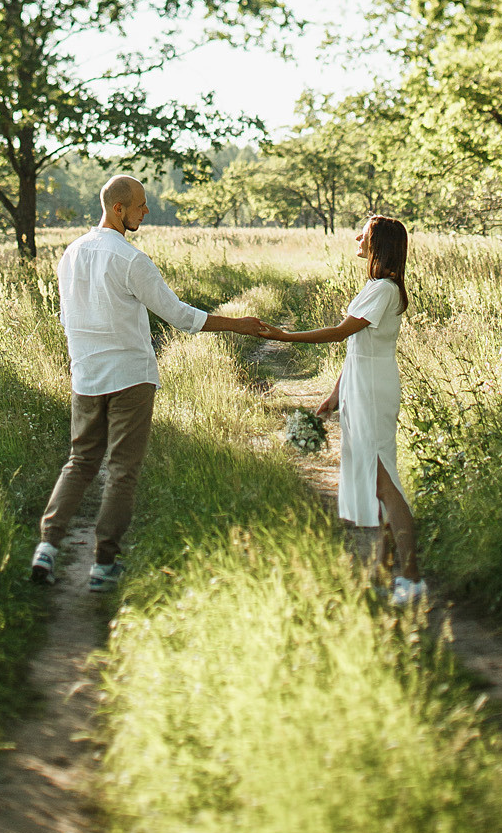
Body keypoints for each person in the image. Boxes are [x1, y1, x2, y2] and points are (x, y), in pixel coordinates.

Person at [30, 173, 267, 592]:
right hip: (130, 379)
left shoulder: (70, 254)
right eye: (140, 204)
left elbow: (67, 318)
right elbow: (177, 314)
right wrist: (239, 325)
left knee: (81, 461)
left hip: (85, 376)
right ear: (117, 209)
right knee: (122, 469)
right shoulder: (130, 259)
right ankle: (103, 565)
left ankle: (47, 548)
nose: (146, 211)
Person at [260, 214, 427, 607]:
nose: (357, 237)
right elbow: (358, 348)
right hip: (362, 382)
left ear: (379, 244)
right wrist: (336, 392)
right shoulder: (377, 287)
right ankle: (386, 573)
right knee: (376, 481)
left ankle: (413, 577)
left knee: (384, 482)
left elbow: (340, 333)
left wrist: (284, 335)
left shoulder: (384, 289)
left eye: (364, 234)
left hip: (372, 388)